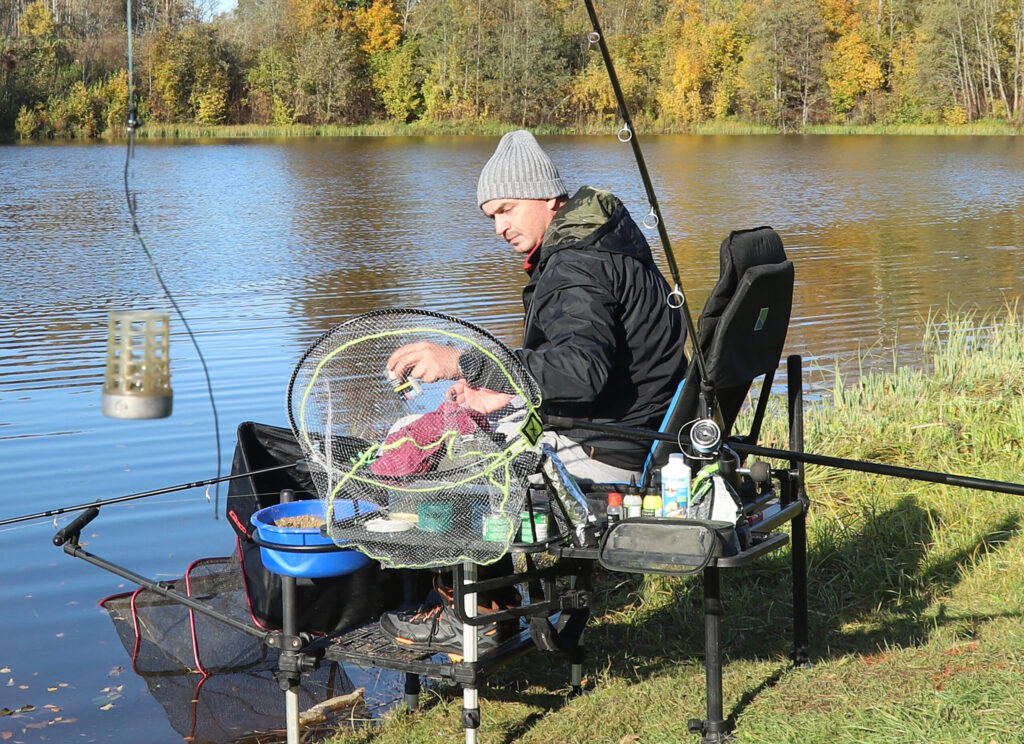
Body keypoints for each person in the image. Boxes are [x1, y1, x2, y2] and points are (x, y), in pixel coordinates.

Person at [388, 129, 686, 486]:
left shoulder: (575, 266)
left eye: (506, 209)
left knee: (415, 448)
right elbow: (587, 365)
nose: (499, 228)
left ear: (547, 197)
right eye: (492, 217)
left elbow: (580, 372)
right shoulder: (601, 242)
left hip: (605, 452)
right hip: (629, 431)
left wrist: (463, 362)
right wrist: (503, 386)